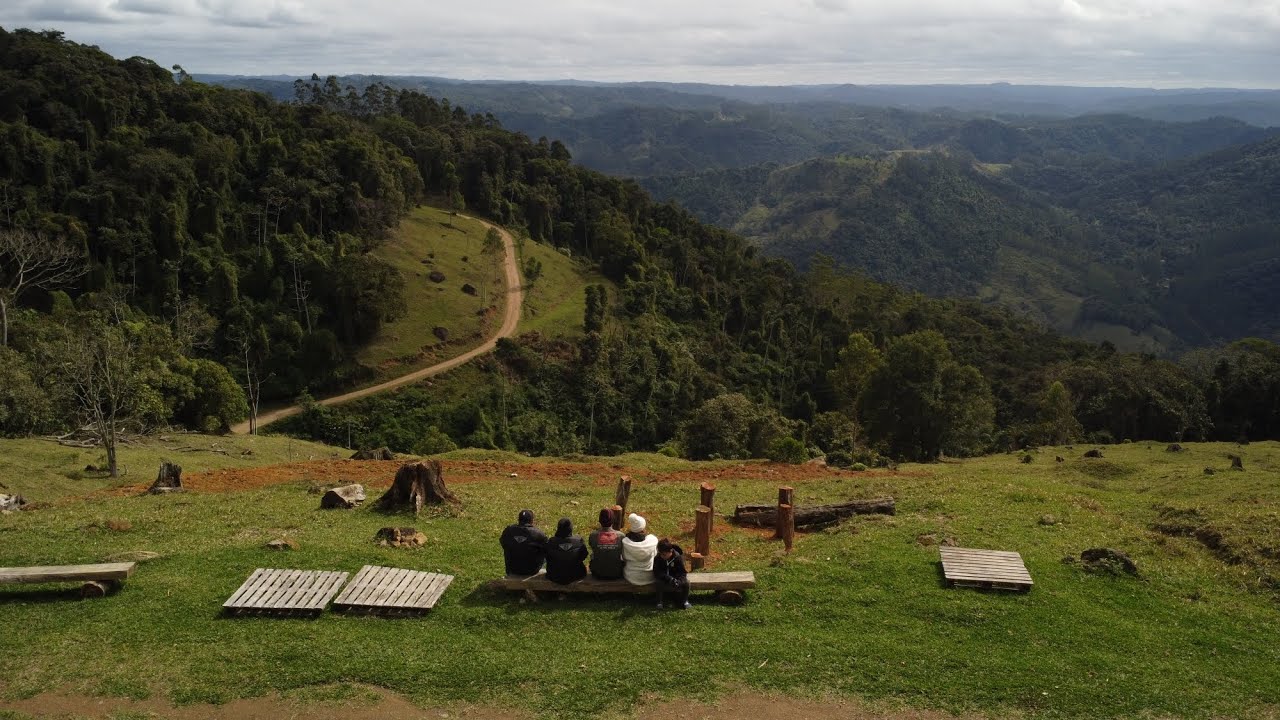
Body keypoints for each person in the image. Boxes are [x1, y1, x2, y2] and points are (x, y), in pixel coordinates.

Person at [499, 509, 547, 576]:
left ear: (519, 520)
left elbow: (503, 543)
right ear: (532, 521)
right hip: (531, 571)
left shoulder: (508, 531)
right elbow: (546, 550)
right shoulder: (538, 534)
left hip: (512, 569)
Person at [544, 517, 588, 584]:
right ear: (571, 529)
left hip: (554, 576)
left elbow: (546, 556)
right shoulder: (579, 541)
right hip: (577, 575)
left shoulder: (551, 542)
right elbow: (584, 555)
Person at [620, 512, 658, 585]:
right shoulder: (652, 541)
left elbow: (623, 558)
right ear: (643, 528)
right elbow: (655, 555)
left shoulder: (626, 543)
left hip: (631, 576)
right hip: (649, 576)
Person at [652, 538, 690, 610]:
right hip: (665, 578)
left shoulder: (678, 558)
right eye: (661, 554)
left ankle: (685, 601)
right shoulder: (658, 558)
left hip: (676, 578)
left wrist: (679, 581)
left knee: (687, 583)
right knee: (658, 582)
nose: (662, 556)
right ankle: (659, 602)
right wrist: (668, 578)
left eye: (664, 554)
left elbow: (683, 572)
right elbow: (657, 572)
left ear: (671, 551)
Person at [588, 508, 625, 580]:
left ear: (600, 520)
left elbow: (592, 548)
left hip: (597, 574)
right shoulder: (621, 536)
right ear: (613, 520)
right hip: (617, 573)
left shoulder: (593, 535)